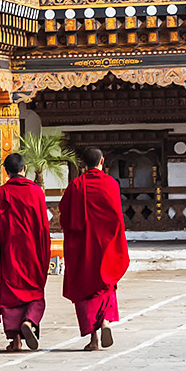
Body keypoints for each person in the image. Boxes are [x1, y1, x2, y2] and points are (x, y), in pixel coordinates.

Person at [60, 146, 129, 351]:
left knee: (85, 288)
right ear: (102, 161)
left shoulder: (75, 185)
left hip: (83, 247)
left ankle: (93, 339)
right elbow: (117, 216)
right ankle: (106, 321)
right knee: (105, 284)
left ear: (83, 164)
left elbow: (64, 215)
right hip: (105, 245)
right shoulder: (111, 184)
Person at [0, 152, 52, 351]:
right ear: (24, 169)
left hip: (8, 254)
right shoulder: (36, 192)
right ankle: (29, 322)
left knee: (10, 296)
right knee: (34, 292)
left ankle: (15, 341)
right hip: (32, 252)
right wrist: (44, 255)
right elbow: (42, 227)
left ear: (6, 172)